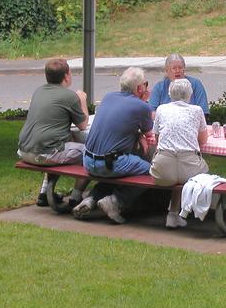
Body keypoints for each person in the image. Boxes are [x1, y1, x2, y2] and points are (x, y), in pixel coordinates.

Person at [72, 67, 155, 224]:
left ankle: (91, 199)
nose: (147, 87)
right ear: (139, 88)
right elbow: (150, 133)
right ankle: (116, 201)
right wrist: (144, 103)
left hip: (88, 161)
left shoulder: (108, 97)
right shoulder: (141, 106)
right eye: (146, 84)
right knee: (153, 172)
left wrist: (137, 135)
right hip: (110, 163)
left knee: (121, 171)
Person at [17, 58, 90, 208]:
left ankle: (44, 193)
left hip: (24, 150)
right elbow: (83, 125)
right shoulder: (69, 96)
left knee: (62, 143)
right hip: (45, 154)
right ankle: (76, 197)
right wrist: (82, 100)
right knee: (92, 153)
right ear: (66, 76)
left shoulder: (39, 91)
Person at [149, 78, 209, 229]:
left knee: (176, 174)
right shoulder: (197, 110)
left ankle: (173, 214)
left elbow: (157, 138)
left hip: (162, 172)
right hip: (190, 171)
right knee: (204, 172)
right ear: (190, 94)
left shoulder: (161, 109)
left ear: (170, 94)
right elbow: (203, 140)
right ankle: (197, 209)